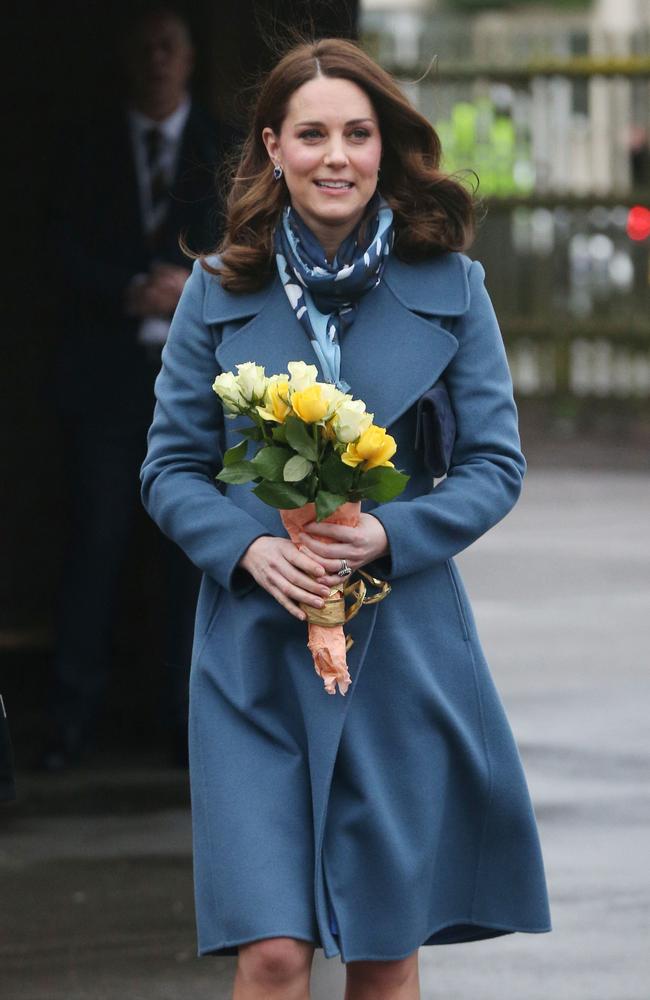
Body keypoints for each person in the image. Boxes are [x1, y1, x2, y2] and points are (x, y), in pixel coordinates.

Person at [140, 37, 552, 999]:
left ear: (384, 148)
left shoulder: (455, 287)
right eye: (314, 133)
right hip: (252, 654)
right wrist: (243, 546)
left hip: (401, 650)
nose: (338, 156)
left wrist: (391, 535)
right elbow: (169, 469)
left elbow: (496, 465)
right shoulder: (216, 289)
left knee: (382, 948)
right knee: (274, 955)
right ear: (273, 148)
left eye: (358, 134)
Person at [43, 6, 237, 770]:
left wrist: (192, 287)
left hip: (205, 394)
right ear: (128, 59)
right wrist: (131, 289)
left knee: (195, 561)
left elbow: (249, 246)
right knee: (94, 546)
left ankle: (189, 728)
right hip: (105, 387)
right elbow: (52, 247)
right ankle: (69, 723)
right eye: (145, 48)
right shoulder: (85, 146)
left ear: (189, 59)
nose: (158, 60)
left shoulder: (225, 147)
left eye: (170, 46)